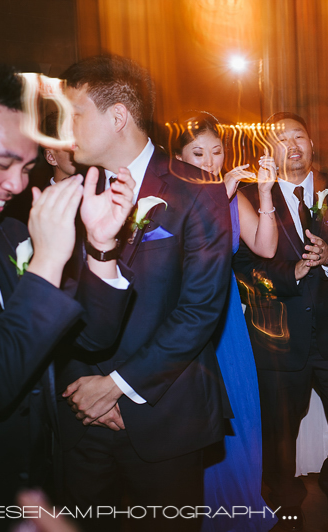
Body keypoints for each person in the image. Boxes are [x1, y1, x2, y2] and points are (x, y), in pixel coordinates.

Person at [56, 55, 232, 531]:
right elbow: (56, 302)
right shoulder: (72, 193)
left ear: (117, 117)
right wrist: (83, 391)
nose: (65, 127)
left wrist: (115, 387)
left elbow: (200, 310)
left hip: (165, 414)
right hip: (81, 417)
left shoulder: (198, 190)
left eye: (75, 113)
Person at [0, 62, 135, 530]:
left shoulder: (9, 236)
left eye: (25, 167)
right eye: (2, 164)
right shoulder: (31, 243)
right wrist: (45, 264)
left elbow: (91, 339)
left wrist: (102, 247)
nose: (20, 184)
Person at [233, 112, 328, 530]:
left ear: (312, 144)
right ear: (268, 150)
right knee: (278, 433)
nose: (293, 145)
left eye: (300, 137)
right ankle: (285, 500)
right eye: (282, 139)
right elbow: (241, 265)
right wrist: (288, 275)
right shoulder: (250, 196)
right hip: (278, 335)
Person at [172, 112, 278, 532]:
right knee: (199, 423)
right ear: (178, 157)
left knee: (242, 418)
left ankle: (240, 507)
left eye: (217, 151)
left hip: (228, 317)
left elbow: (266, 247)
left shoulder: (233, 194)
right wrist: (217, 197)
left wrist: (265, 194)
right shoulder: (173, 199)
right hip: (189, 314)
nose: (210, 160)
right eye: (198, 152)